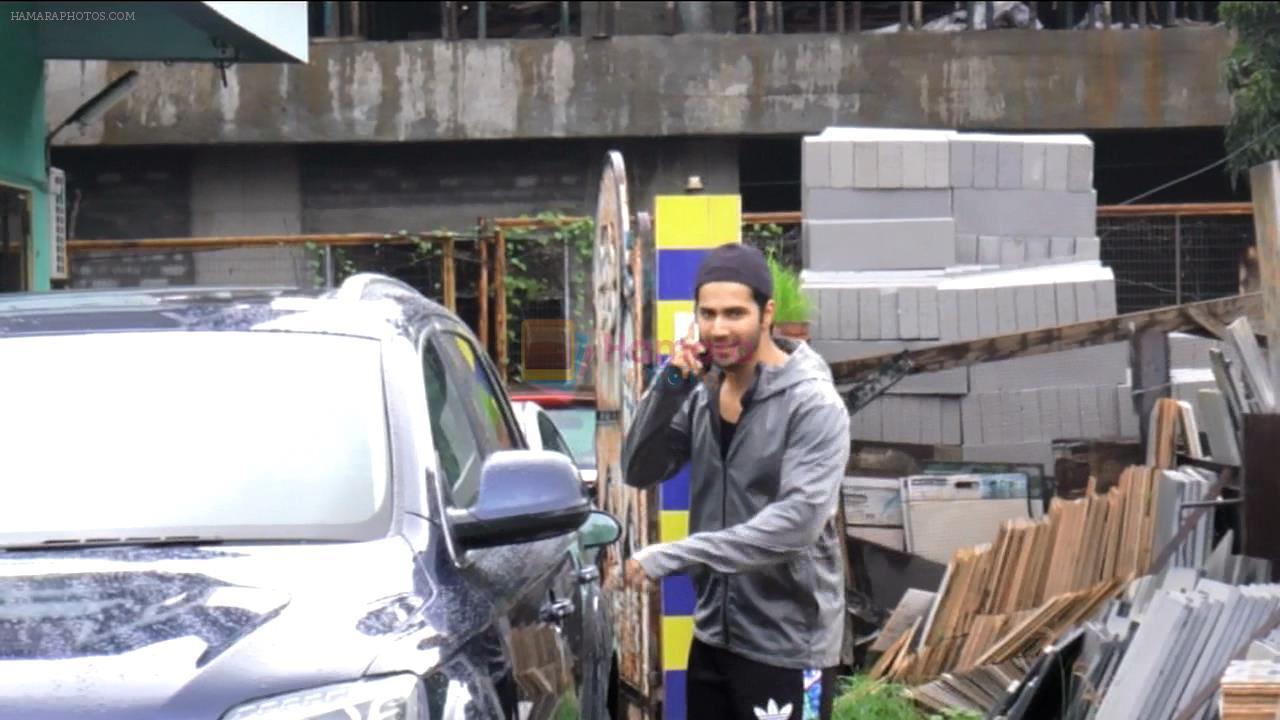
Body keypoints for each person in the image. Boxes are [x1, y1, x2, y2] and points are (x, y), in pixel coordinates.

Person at [621, 243, 852, 720]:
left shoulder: (812, 405)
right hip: (713, 635)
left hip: (789, 647)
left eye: (734, 313)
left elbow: (797, 525)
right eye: (707, 314)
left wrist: (673, 555)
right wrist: (670, 384)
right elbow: (639, 469)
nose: (719, 328)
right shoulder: (701, 392)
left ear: (766, 313)